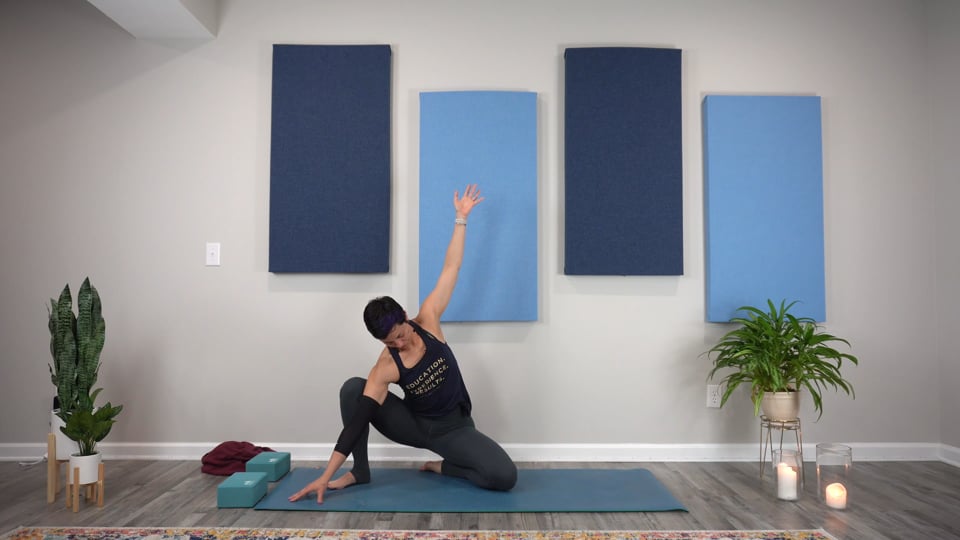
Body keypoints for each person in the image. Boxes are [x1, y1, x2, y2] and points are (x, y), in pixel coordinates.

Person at [289, 183, 517, 504]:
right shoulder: (386, 365)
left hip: (454, 429)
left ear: (406, 317)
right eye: (389, 342)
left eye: (401, 334)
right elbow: (357, 423)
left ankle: (445, 467)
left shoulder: (429, 320)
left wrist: (461, 218)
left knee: (504, 476)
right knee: (352, 389)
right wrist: (325, 476)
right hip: (415, 426)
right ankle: (360, 471)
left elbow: (452, 267)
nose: (398, 343)